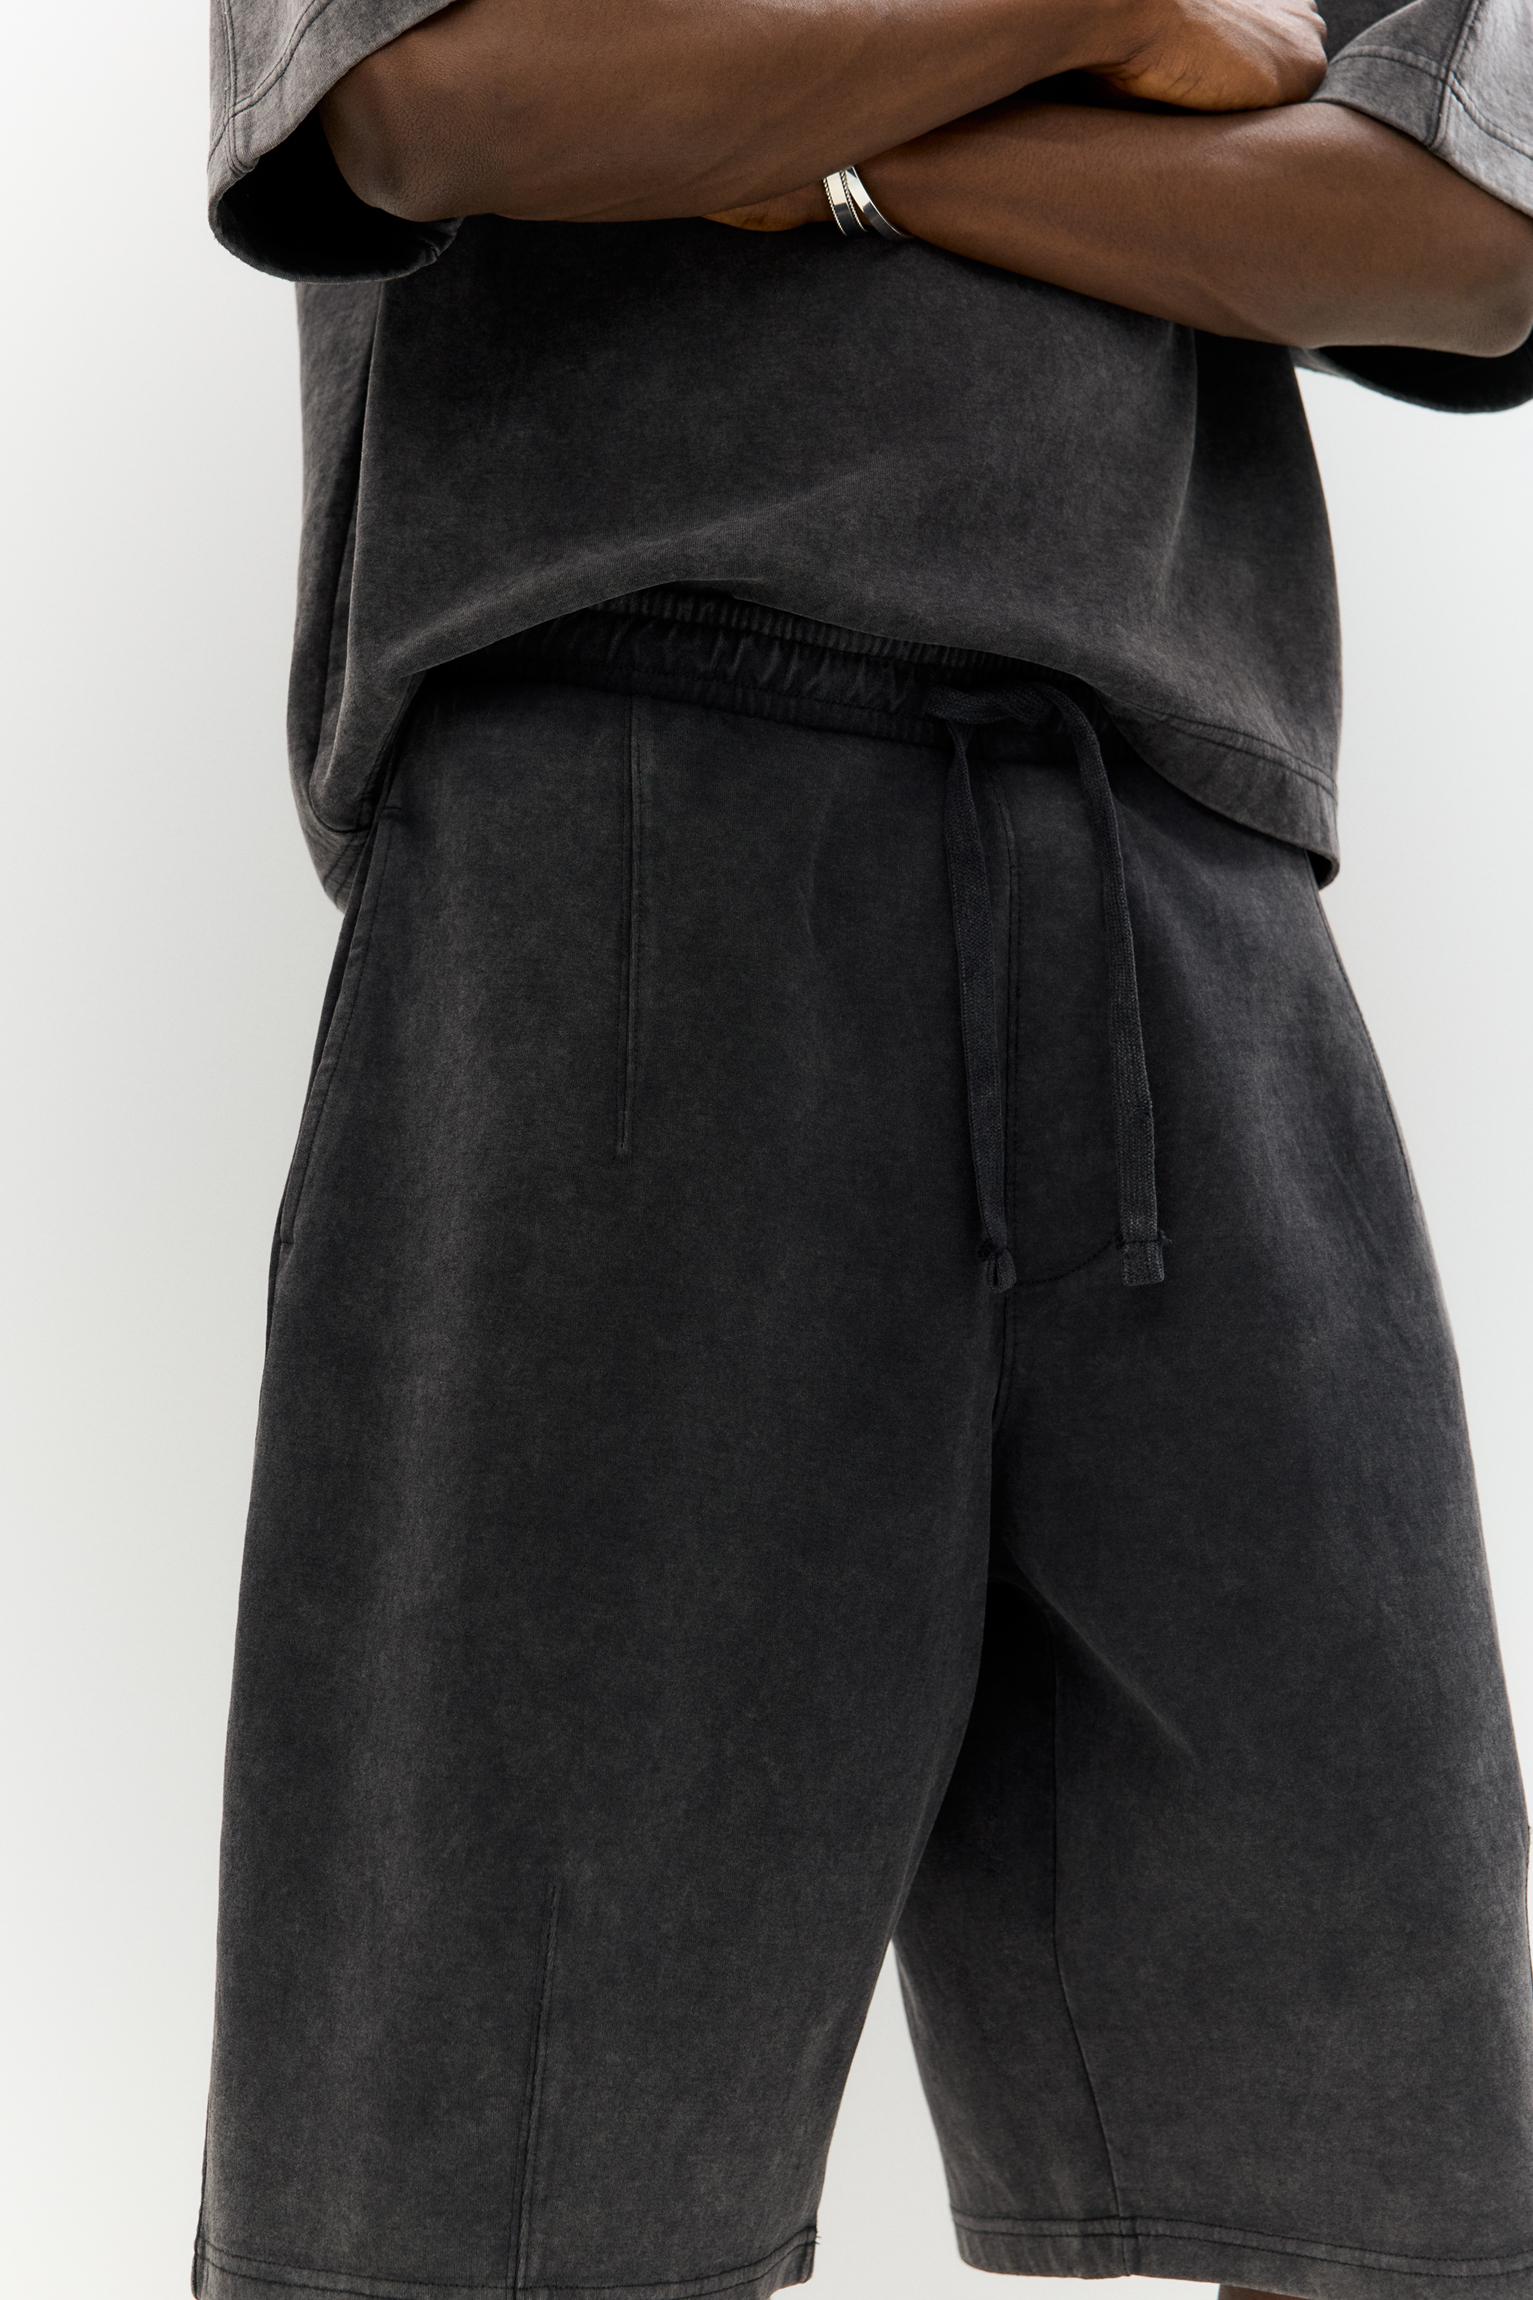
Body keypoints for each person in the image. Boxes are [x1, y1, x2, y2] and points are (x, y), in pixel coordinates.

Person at [191, 5, 1533, 2300]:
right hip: (622, 817)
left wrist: (810, 147)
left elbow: (1463, 235)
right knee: (480, 2191)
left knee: (1409, 2157)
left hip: (1183, 867)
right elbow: (431, 99)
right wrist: (1109, 21)